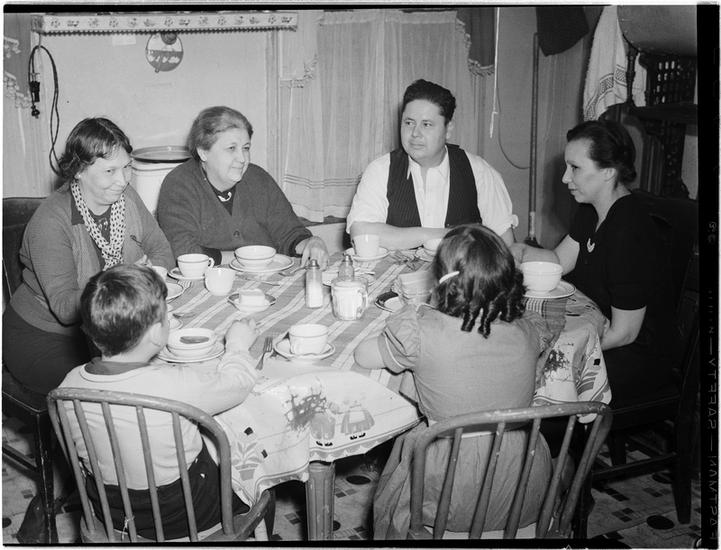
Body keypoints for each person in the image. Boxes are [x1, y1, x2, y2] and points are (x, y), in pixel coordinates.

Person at [354, 225, 553, 539]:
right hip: (523, 485)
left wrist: (422, 311)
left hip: (446, 489)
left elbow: (363, 356)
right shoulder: (528, 331)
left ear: (441, 282)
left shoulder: (423, 333)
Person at [59, 264, 259, 539]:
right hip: (186, 515)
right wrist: (237, 344)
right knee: (257, 480)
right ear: (156, 334)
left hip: (111, 511)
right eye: (167, 315)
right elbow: (239, 383)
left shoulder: (67, 386)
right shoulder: (175, 384)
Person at [3, 117, 174, 396]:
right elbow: (64, 307)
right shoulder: (50, 222)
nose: (122, 180)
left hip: (111, 330)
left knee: (168, 371)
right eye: (110, 171)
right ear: (80, 170)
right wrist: (125, 279)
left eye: (127, 167)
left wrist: (144, 279)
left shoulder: (127, 198)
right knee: (124, 391)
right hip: (49, 338)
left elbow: (162, 251)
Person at [511, 119, 673, 407]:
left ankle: (547, 435)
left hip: (631, 356)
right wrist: (515, 252)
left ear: (608, 172)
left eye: (575, 168)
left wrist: (556, 352)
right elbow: (559, 261)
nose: (565, 178)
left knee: (522, 380)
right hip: (594, 332)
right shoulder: (591, 210)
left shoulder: (629, 231)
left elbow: (625, 334)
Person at [346, 79, 517, 251]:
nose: (415, 133)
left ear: (448, 129)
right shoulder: (380, 170)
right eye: (409, 122)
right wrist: (445, 235)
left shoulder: (479, 171)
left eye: (426, 124)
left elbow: (506, 243)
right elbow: (360, 232)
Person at [156, 106, 329, 268]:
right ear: (203, 152)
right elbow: (184, 251)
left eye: (245, 148)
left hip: (264, 278)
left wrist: (311, 242)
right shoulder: (179, 184)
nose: (242, 158)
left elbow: (289, 233)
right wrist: (248, 258)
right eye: (231, 148)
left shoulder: (258, 179)